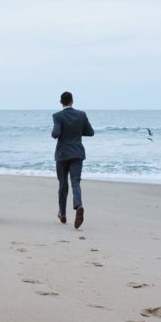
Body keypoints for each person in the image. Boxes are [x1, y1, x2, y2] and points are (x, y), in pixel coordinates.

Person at [51, 91, 94, 228]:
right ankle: (78, 205)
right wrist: (76, 132)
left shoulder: (57, 116)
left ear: (61, 102)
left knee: (63, 184)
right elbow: (90, 132)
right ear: (72, 101)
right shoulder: (81, 115)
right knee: (75, 181)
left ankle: (62, 214)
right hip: (77, 152)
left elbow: (55, 134)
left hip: (63, 154)